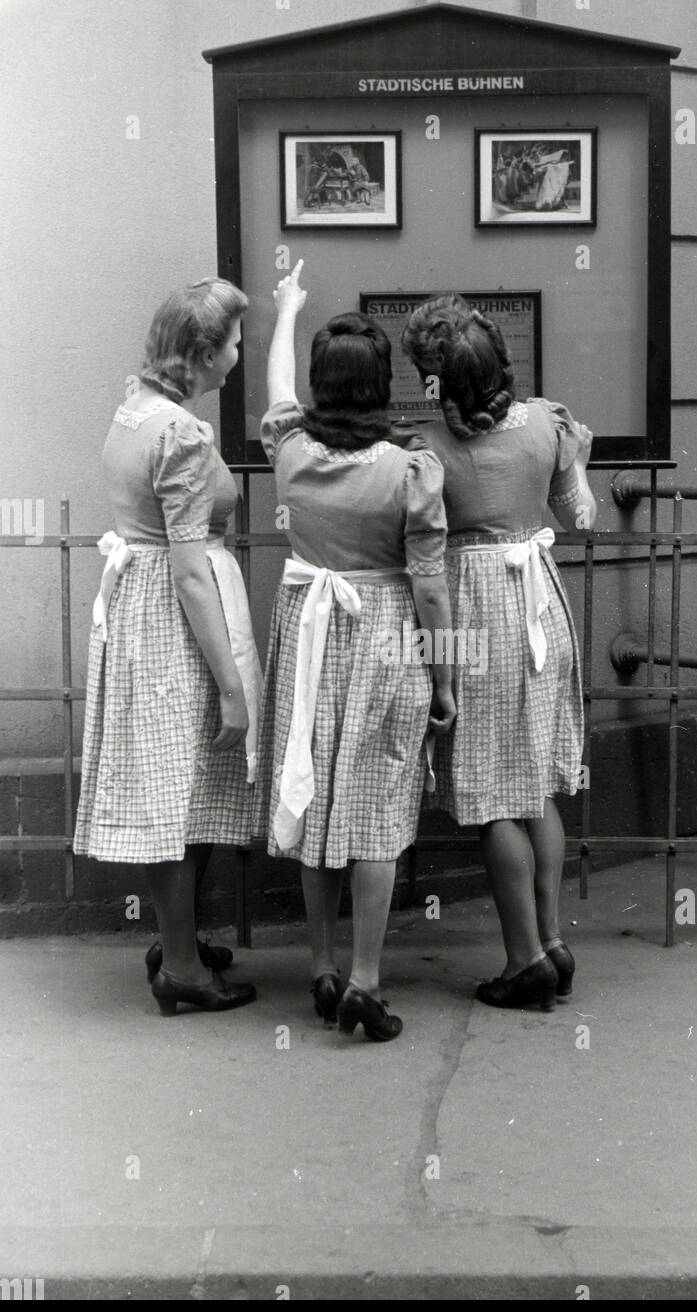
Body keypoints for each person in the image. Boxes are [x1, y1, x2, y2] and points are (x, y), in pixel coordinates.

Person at [256, 261, 455, 1042]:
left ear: (319, 386)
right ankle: (367, 984)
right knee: (374, 808)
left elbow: (276, 387)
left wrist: (287, 308)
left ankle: (321, 967)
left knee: (311, 797)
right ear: (382, 388)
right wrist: (444, 677)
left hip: (309, 626)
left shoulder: (290, 449)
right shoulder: (409, 472)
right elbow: (432, 588)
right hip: (384, 637)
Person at [401, 293, 596, 1011]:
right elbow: (580, 517)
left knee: (489, 798)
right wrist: (575, 463)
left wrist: (439, 672)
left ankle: (523, 960)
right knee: (536, 782)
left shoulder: (425, 449)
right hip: (539, 600)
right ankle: (550, 942)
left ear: (436, 382)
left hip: (471, 608)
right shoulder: (550, 423)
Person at [73, 278, 261, 1016]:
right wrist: (230, 682)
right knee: (179, 793)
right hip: (174, 620)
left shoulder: (136, 409)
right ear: (205, 353)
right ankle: (181, 965)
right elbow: (188, 570)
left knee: (181, 787)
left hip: (139, 609)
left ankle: (177, 939)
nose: (238, 355)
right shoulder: (182, 433)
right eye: (234, 343)